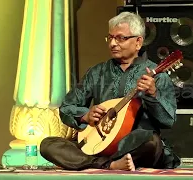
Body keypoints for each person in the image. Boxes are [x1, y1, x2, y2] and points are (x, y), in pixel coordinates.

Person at [40, 11, 180, 171]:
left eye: (120, 38)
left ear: (138, 42)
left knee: (151, 140)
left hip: (134, 145)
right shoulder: (96, 73)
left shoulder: (156, 75)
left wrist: (152, 95)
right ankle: (110, 164)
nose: (113, 43)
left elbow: (168, 120)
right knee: (48, 144)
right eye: (110, 37)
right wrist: (85, 115)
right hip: (98, 143)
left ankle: (97, 163)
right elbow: (66, 107)